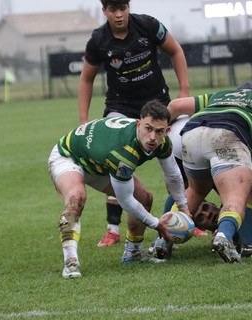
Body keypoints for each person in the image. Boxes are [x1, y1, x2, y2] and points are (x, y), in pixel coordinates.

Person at [78, 0, 190, 247]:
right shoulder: (98, 40)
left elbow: (176, 51)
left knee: (180, 150)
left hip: (158, 105)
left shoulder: (148, 25)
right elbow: (86, 79)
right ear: (104, 11)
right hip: (120, 108)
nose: (118, 15)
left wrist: (184, 90)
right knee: (117, 160)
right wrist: (84, 121)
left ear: (129, 7)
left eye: (122, 8)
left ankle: (186, 216)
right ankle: (112, 230)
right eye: (112, 10)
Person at [48, 101, 190, 278]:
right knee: (76, 197)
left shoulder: (162, 143)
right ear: (138, 125)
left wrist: (184, 207)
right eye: (148, 128)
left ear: (167, 131)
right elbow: (125, 201)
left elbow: (173, 175)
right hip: (69, 156)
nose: (153, 136)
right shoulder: (123, 151)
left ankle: (133, 254)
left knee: (144, 197)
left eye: (159, 131)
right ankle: (71, 262)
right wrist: (156, 224)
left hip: (100, 164)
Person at [167, 81, 252, 263]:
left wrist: (159, 133)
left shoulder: (221, 95)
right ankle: (228, 237)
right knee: (238, 195)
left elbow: (175, 105)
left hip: (190, 134)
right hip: (228, 132)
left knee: (195, 191)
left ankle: (162, 240)